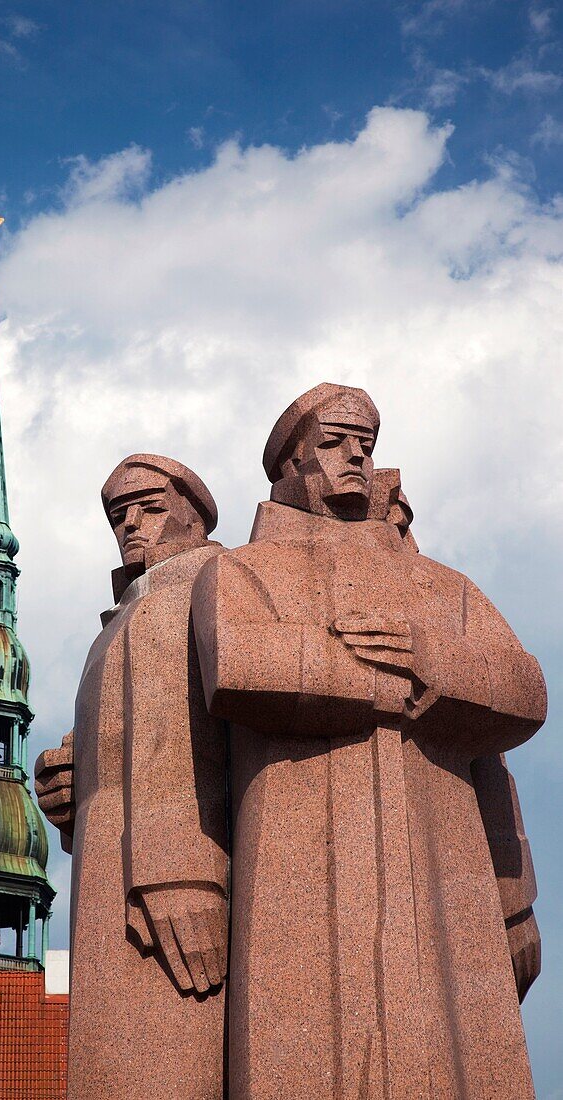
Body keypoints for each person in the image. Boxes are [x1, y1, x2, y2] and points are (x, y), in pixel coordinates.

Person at [191, 383, 546, 1100]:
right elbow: (238, 665)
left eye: (365, 442)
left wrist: (426, 656)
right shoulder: (239, 571)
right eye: (333, 440)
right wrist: (393, 689)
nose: (355, 453)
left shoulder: (442, 586)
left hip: (437, 843)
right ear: (290, 464)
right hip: (298, 839)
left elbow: (523, 690)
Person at [36, 454, 228, 1100]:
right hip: (105, 872)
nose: (129, 524)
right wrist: (70, 779)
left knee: (171, 1061)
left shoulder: (214, 586)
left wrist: (181, 866)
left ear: (194, 515)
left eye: (147, 506)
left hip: (174, 876)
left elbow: (215, 735)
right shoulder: (119, 622)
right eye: (118, 515)